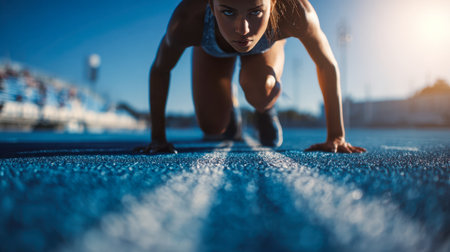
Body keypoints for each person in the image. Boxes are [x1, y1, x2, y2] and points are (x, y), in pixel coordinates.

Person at [144, 0, 366, 154]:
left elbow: (326, 64)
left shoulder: (297, 13)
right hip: (212, 51)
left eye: (256, 12)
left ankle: (265, 108)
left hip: (264, 49)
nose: (243, 30)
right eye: (228, 12)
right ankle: (231, 104)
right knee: (212, 126)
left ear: (274, 4)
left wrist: (336, 135)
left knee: (261, 90)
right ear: (211, 5)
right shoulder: (187, 20)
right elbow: (160, 69)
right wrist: (158, 138)